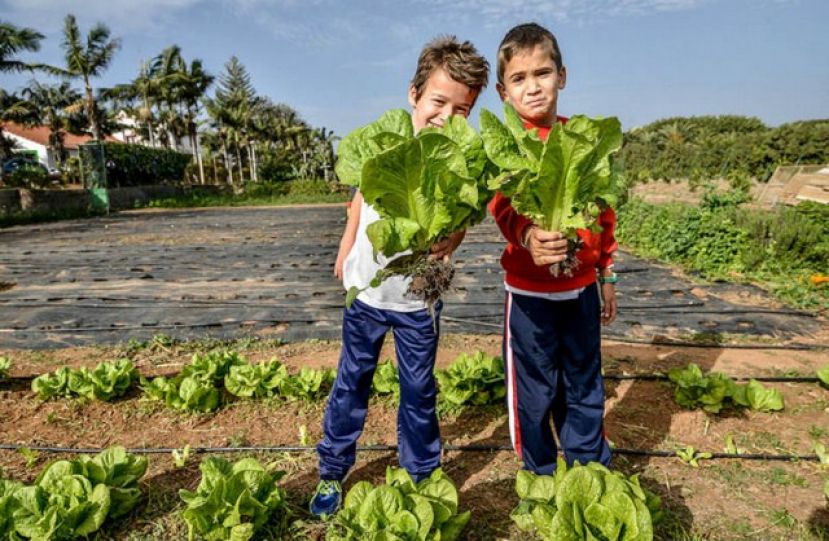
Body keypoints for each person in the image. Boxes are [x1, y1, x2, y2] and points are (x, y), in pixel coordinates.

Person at [311, 35, 490, 519]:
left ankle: (421, 474)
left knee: (418, 389)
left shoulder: (461, 161)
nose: (446, 117)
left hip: (417, 300)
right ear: (414, 94)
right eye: (438, 102)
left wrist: (451, 240)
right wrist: (346, 245)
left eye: (461, 110)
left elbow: (467, 214)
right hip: (367, 294)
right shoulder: (386, 142)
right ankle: (332, 470)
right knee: (352, 381)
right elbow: (359, 196)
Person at [488, 22, 618, 476]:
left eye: (542, 73)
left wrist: (606, 274)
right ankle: (539, 473)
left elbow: (605, 213)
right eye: (519, 79)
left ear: (562, 76)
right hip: (528, 295)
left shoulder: (583, 140)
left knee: (584, 384)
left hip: (580, 290)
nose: (533, 87)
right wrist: (527, 236)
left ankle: (589, 470)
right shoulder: (505, 145)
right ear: (504, 92)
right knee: (534, 391)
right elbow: (502, 206)